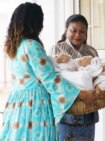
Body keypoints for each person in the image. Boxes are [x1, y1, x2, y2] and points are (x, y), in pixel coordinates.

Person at [0, 2, 97, 141]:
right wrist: (80, 94)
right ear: (34, 22)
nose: (42, 26)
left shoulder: (14, 47)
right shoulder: (32, 45)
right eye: (40, 21)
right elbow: (50, 78)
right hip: (35, 105)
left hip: (17, 105)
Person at [50, 14, 99, 140]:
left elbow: (98, 76)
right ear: (66, 30)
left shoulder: (92, 52)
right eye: (73, 30)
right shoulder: (56, 49)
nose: (78, 35)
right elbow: (52, 79)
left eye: (82, 31)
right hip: (65, 112)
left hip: (87, 111)